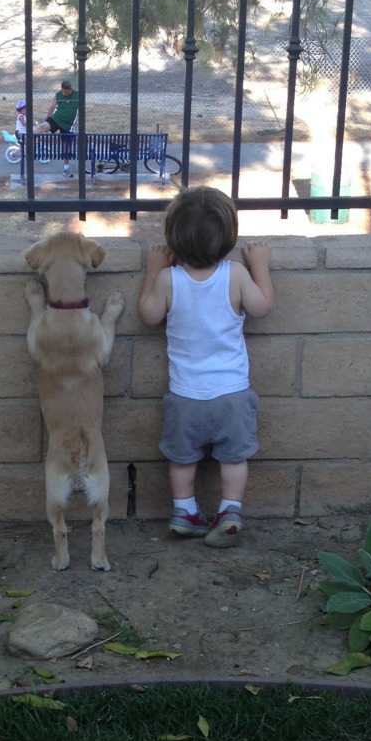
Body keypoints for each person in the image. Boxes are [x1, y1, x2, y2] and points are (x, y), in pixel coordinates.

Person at [138, 186, 274, 547]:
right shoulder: (236, 275)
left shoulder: (169, 280)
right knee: (234, 459)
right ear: (228, 236)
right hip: (232, 394)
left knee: (182, 460)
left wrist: (153, 270)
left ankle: (185, 511)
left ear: (174, 238)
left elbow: (148, 315)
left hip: (185, 396)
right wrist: (260, 265)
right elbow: (262, 307)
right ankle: (230, 511)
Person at [35, 80, 79, 177]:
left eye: (66, 92)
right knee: (42, 127)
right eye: (63, 91)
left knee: (66, 147)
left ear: (70, 89)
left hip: (68, 125)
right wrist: (47, 119)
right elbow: (52, 107)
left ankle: (66, 168)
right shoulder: (58, 95)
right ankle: (24, 137)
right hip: (56, 119)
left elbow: (81, 110)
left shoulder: (77, 96)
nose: (64, 93)